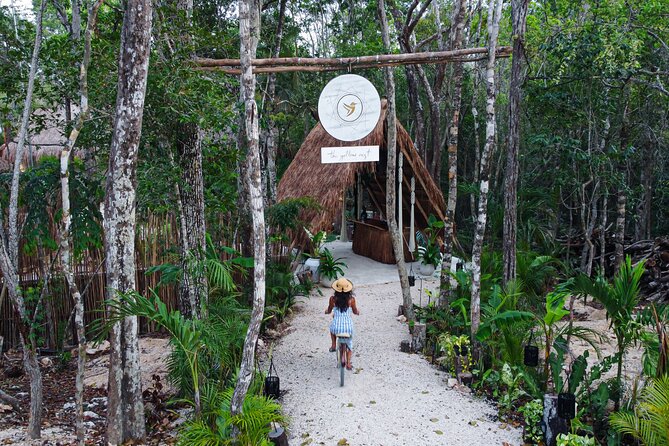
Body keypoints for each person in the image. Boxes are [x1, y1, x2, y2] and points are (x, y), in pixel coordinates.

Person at [325, 278, 360, 370]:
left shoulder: (333, 299)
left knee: (332, 329)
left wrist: (327, 311)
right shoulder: (351, 300)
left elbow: (329, 310)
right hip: (348, 327)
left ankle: (333, 344)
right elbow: (355, 311)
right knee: (349, 344)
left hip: (337, 326)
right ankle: (348, 363)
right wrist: (357, 312)